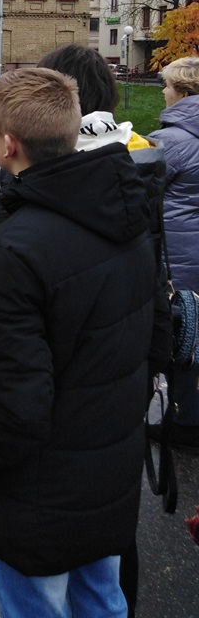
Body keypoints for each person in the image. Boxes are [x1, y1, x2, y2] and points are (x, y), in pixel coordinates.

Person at [0, 68, 169, 618]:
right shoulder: (128, 211)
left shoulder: (18, 244)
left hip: (37, 491)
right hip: (107, 468)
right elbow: (154, 338)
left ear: (7, 145)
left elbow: (10, 403)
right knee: (102, 599)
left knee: (38, 606)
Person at [38, 44, 171, 618]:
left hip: (70, 370)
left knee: (58, 511)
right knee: (114, 514)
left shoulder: (59, 168)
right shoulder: (136, 155)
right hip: (128, 359)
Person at [147, 56, 199, 451]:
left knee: (183, 334)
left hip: (178, 256)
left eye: (166, 85)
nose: (163, 92)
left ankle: (184, 421)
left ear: (181, 92)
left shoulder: (171, 142)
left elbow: (137, 192)